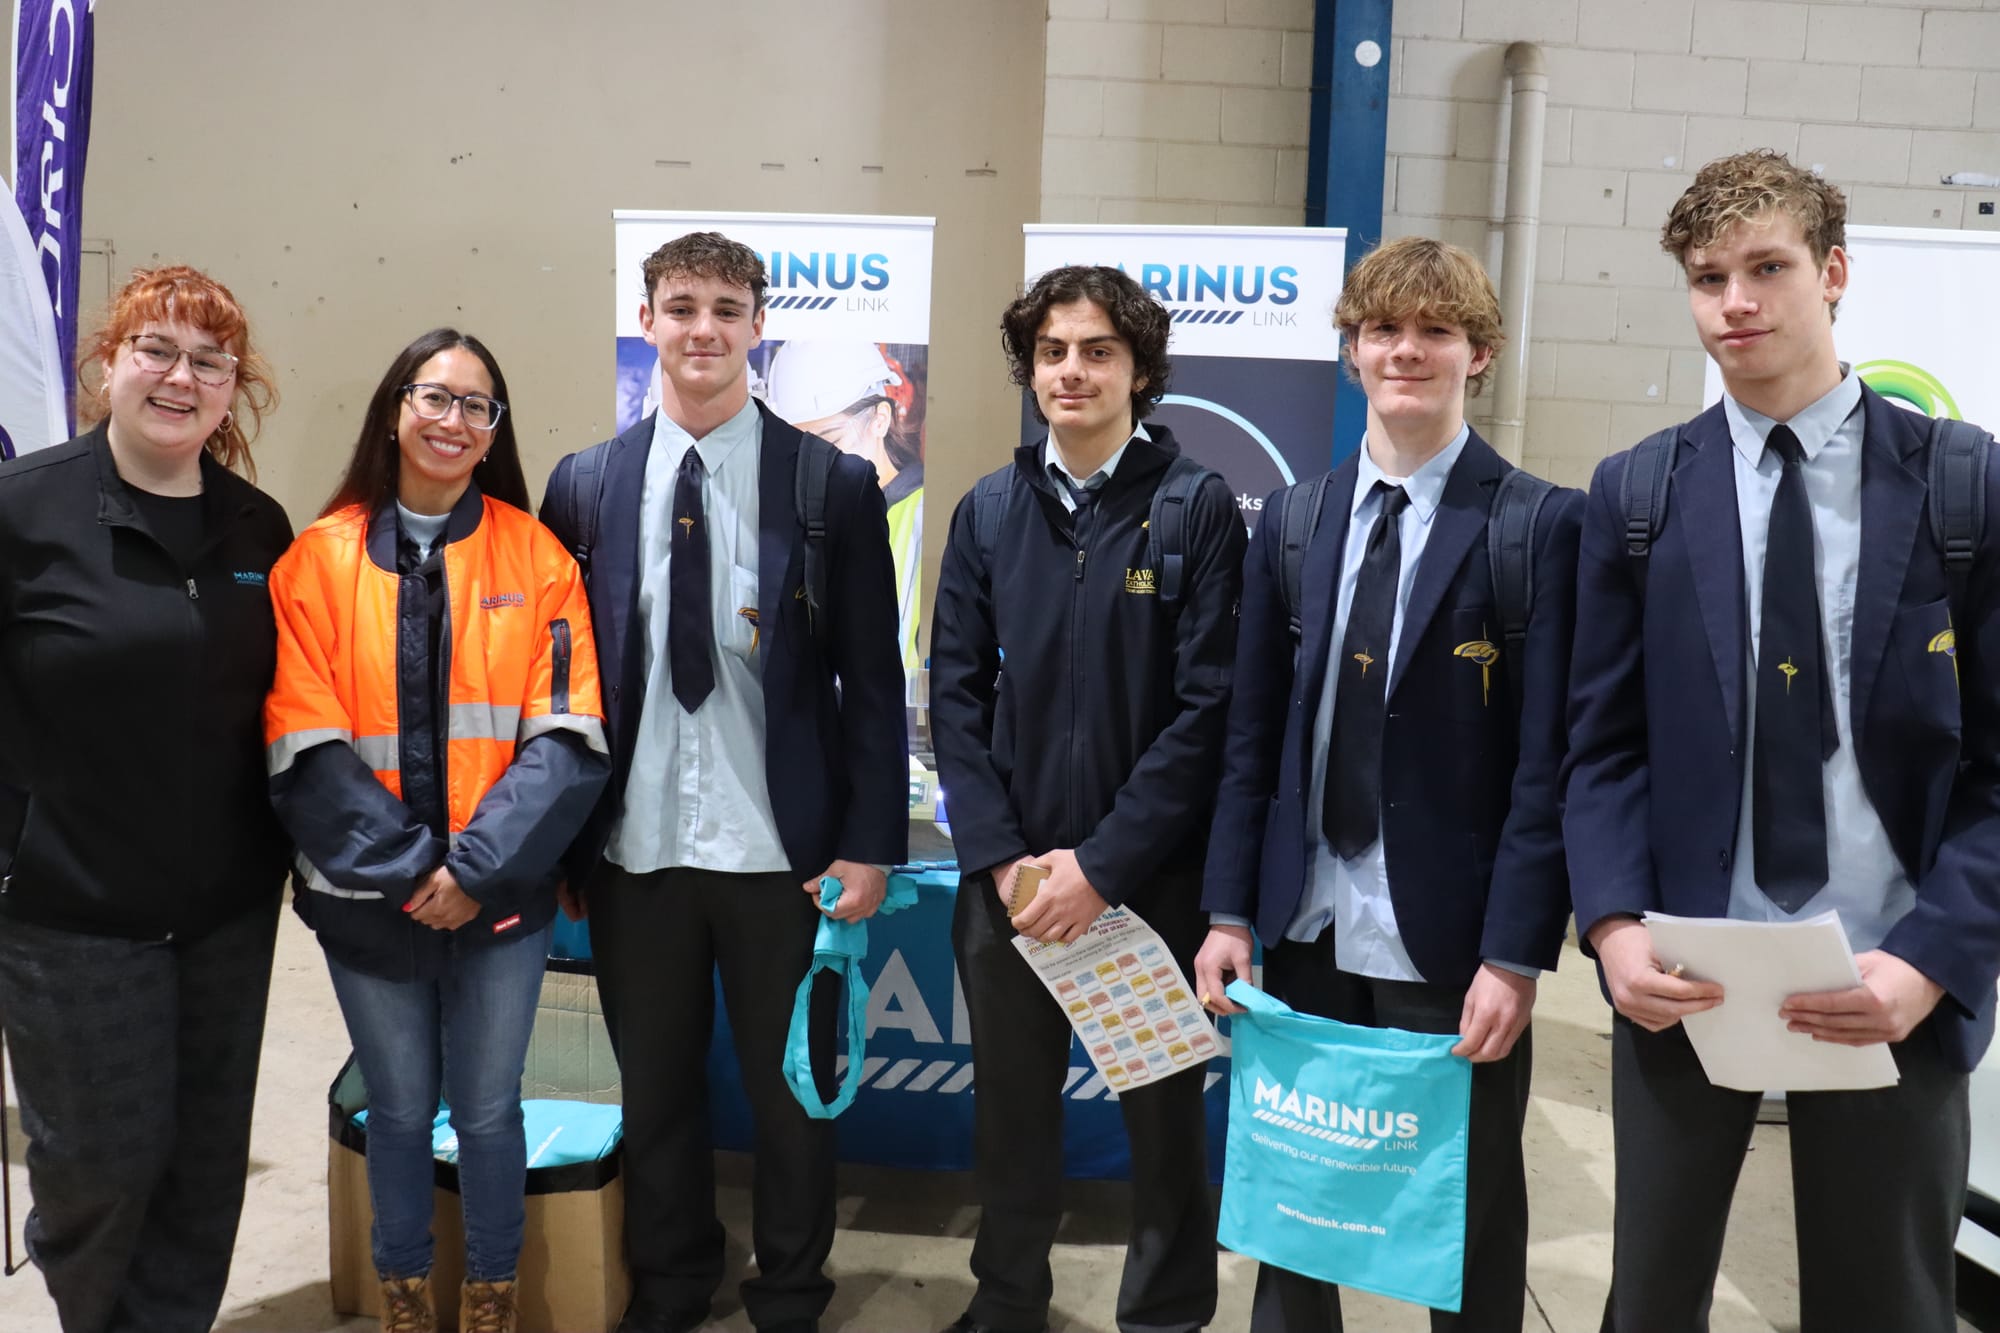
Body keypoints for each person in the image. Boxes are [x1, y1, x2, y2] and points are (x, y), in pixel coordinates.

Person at [1565, 150, 2000, 1331]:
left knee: (1883, 1305)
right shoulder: (1638, 494)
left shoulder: (1962, 488)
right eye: (1708, 278)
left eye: (1767, 268)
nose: (1736, 303)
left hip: (1887, 973)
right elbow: (1599, 745)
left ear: (1834, 273)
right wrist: (1608, 928)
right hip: (1686, 973)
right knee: (1647, 1298)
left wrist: (1931, 958)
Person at [1194, 237, 1579, 1331]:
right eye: (1381, 330)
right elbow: (1250, 739)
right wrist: (1228, 908)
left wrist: (1514, 950)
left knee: (1462, 1219)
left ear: (1479, 353)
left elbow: (1548, 764)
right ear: (1350, 351)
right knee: (1290, 1205)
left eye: (1433, 331)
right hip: (1304, 924)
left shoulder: (1537, 526)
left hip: (1449, 940)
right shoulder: (1296, 520)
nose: (1404, 350)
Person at [538, 231, 906, 1333]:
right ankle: (671, 1280)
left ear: (757, 325)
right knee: (654, 1091)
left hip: (778, 855)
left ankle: (789, 1287)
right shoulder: (586, 484)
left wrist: (869, 841)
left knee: (793, 1091)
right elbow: (556, 684)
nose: (703, 329)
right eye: (681, 306)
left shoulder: (827, 484)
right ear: (647, 319)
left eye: (726, 308)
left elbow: (872, 682)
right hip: (633, 847)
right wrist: (563, 846)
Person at [265, 328, 611, 1333]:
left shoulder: (534, 555)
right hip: (367, 901)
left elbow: (569, 734)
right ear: (392, 409)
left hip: (500, 900)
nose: (455, 420)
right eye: (436, 397)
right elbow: (302, 744)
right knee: (404, 1110)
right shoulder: (314, 562)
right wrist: (420, 872)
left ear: (496, 429)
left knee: (492, 1108)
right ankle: (406, 1294)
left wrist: (479, 870)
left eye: (479, 405)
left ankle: (490, 1297)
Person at [929, 263, 1246, 1333]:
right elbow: (953, 694)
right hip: (1011, 886)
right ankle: (1006, 1301)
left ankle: (1162, 1315)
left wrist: (1100, 866)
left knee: (1161, 1128)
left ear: (1139, 371)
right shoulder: (987, 508)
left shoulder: (1194, 509)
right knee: (1009, 1119)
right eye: (1053, 351)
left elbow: (1206, 709)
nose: (1071, 370)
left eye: (1097, 351)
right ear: (1029, 368)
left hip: (1144, 885)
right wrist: (1005, 860)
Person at [0, 265, 292, 1333]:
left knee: (205, 1162)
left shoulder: (257, 527)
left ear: (232, 388)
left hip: (224, 909)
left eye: (208, 360)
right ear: (109, 364)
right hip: (70, 911)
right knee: (99, 1166)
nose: (180, 376)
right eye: (156, 350)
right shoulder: (25, 510)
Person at [763, 338, 925, 671]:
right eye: (794, 445)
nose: (809, 461)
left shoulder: (923, 516)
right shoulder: (781, 513)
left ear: (880, 419)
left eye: (829, 441)